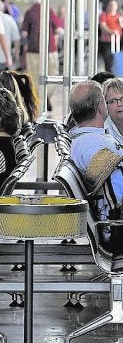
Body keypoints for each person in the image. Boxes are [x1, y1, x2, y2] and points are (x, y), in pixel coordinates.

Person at [68, 80, 123, 252]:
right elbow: (118, 193)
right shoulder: (92, 145)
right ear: (101, 107)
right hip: (115, 228)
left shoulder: (88, 140)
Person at [21, 0, 64, 105]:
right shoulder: (48, 10)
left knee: (34, 76)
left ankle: (37, 99)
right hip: (50, 49)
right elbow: (59, 29)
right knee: (52, 74)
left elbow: (24, 33)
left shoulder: (29, 12)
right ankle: (47, 95)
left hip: (33, 49)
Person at [0, 0, 21, 71]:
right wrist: (16, 56)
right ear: (3, 8)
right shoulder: (9, 19)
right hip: (4, 58)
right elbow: (17, 39)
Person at [99, 0, 123, 72]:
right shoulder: (104, 15)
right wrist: (111, 32)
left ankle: (118, 72)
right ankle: (109, 74)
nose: (112, 7)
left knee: (117, 58)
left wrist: (120, 22)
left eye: (114, 5)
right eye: (111, 5)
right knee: (108, 59)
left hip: (118, 41)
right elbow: (103, 26)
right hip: (107, 41)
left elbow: (121, 27)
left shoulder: (119, 16)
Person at [103, 77, 123, 145]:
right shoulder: (101, 132)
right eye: (113, 101)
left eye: (122, 98)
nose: (119, 104)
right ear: (106, 106)